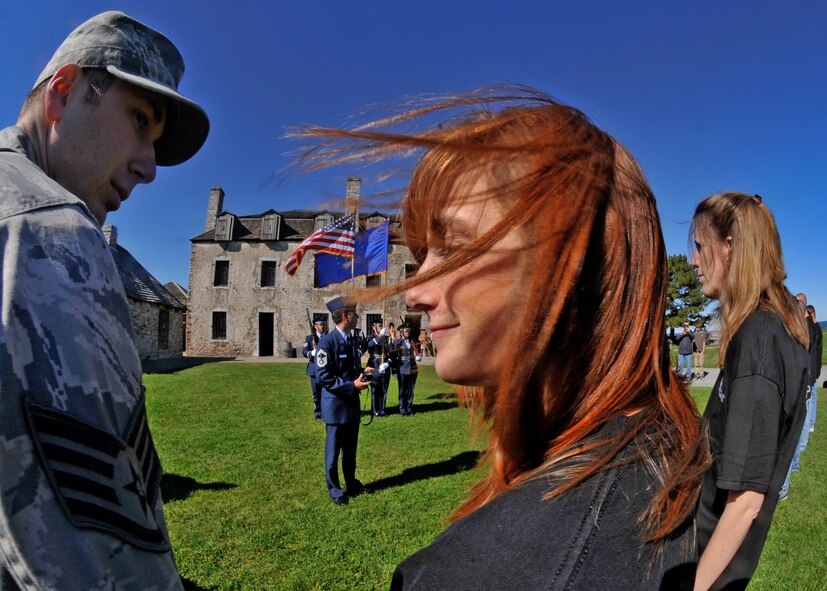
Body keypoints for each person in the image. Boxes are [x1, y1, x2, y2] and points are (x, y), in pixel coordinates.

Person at [295, 87, 709, 589]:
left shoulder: (468, 574)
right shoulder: (673, 444)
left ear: (569, 264)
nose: (416, 293)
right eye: (425, 251)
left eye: (456, 247)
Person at [0, 11, 208, 589]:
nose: (148, 167)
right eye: (139, 121)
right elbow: (101, 555)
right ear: (64, 92)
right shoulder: (48, 231)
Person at [690, 193, 808, 590]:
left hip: (709, 565)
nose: (693, 261)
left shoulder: (758, 340)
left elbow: (744, 505)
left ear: (730, 247)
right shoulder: (776, 328)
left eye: (699, 246)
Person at [315, 297, 373, 505]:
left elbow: (349, 370)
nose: (357, 317)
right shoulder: (327, 342)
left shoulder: (351, 340)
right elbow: (323, 376)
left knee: (350, 451)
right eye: (355, 314)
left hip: (351, 405)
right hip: (336, 407)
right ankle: (335, 490)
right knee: (332, 453)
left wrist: (362, 373)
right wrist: (352, 386)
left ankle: (352, 482)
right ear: (346, 316)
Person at [779, 294, 819, 499]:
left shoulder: (804, 329)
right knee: (796, 427)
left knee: (790, 432)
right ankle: (792, 465)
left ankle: (783, 485)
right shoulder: (807, 327)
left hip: (800, 383)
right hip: (802, 382)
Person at [303, 318, 328, 419]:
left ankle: (325, 410)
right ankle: (317, 412)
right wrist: (311, 353)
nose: (322, 326)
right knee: (316, 392)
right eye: (320, 324)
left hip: (325, 368)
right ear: (315, 326)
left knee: (325, 391)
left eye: (324, 324)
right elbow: (304, 351)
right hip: (314, 369)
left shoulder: (327, 337)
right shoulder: (309, 338)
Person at [393, 324, 420, 416]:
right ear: (401, 332)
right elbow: (393, 356)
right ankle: (402, 408)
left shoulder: (413, 341)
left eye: (408, 331)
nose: (407, 332)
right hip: (402, 368)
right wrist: (394, 370)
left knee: (411, 390)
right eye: (405, 331)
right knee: (402, 390)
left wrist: (418, 356)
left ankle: (409, 408)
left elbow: (416, 352)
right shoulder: (397, 342)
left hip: (412, 368)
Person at [366, 320, 392, 416]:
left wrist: (387, 363)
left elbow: (391, 353)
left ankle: (382, 410)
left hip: (384, 364)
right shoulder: (370, 337)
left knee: (384, 388)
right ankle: (375, 410)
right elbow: (370, 345)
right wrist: (380, 336)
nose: (380, 327)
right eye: (378, 326)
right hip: (374, 365)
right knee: (374, 389)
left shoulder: (387, 338)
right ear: (373, 327)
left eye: (381, 326)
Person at [806, 304, 821, 432]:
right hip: (813, 366)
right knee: (811, 396)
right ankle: (810, 422)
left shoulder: (815, 328)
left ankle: (811, 423)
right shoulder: (815, 328)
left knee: (812, 396)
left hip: (814, 367)